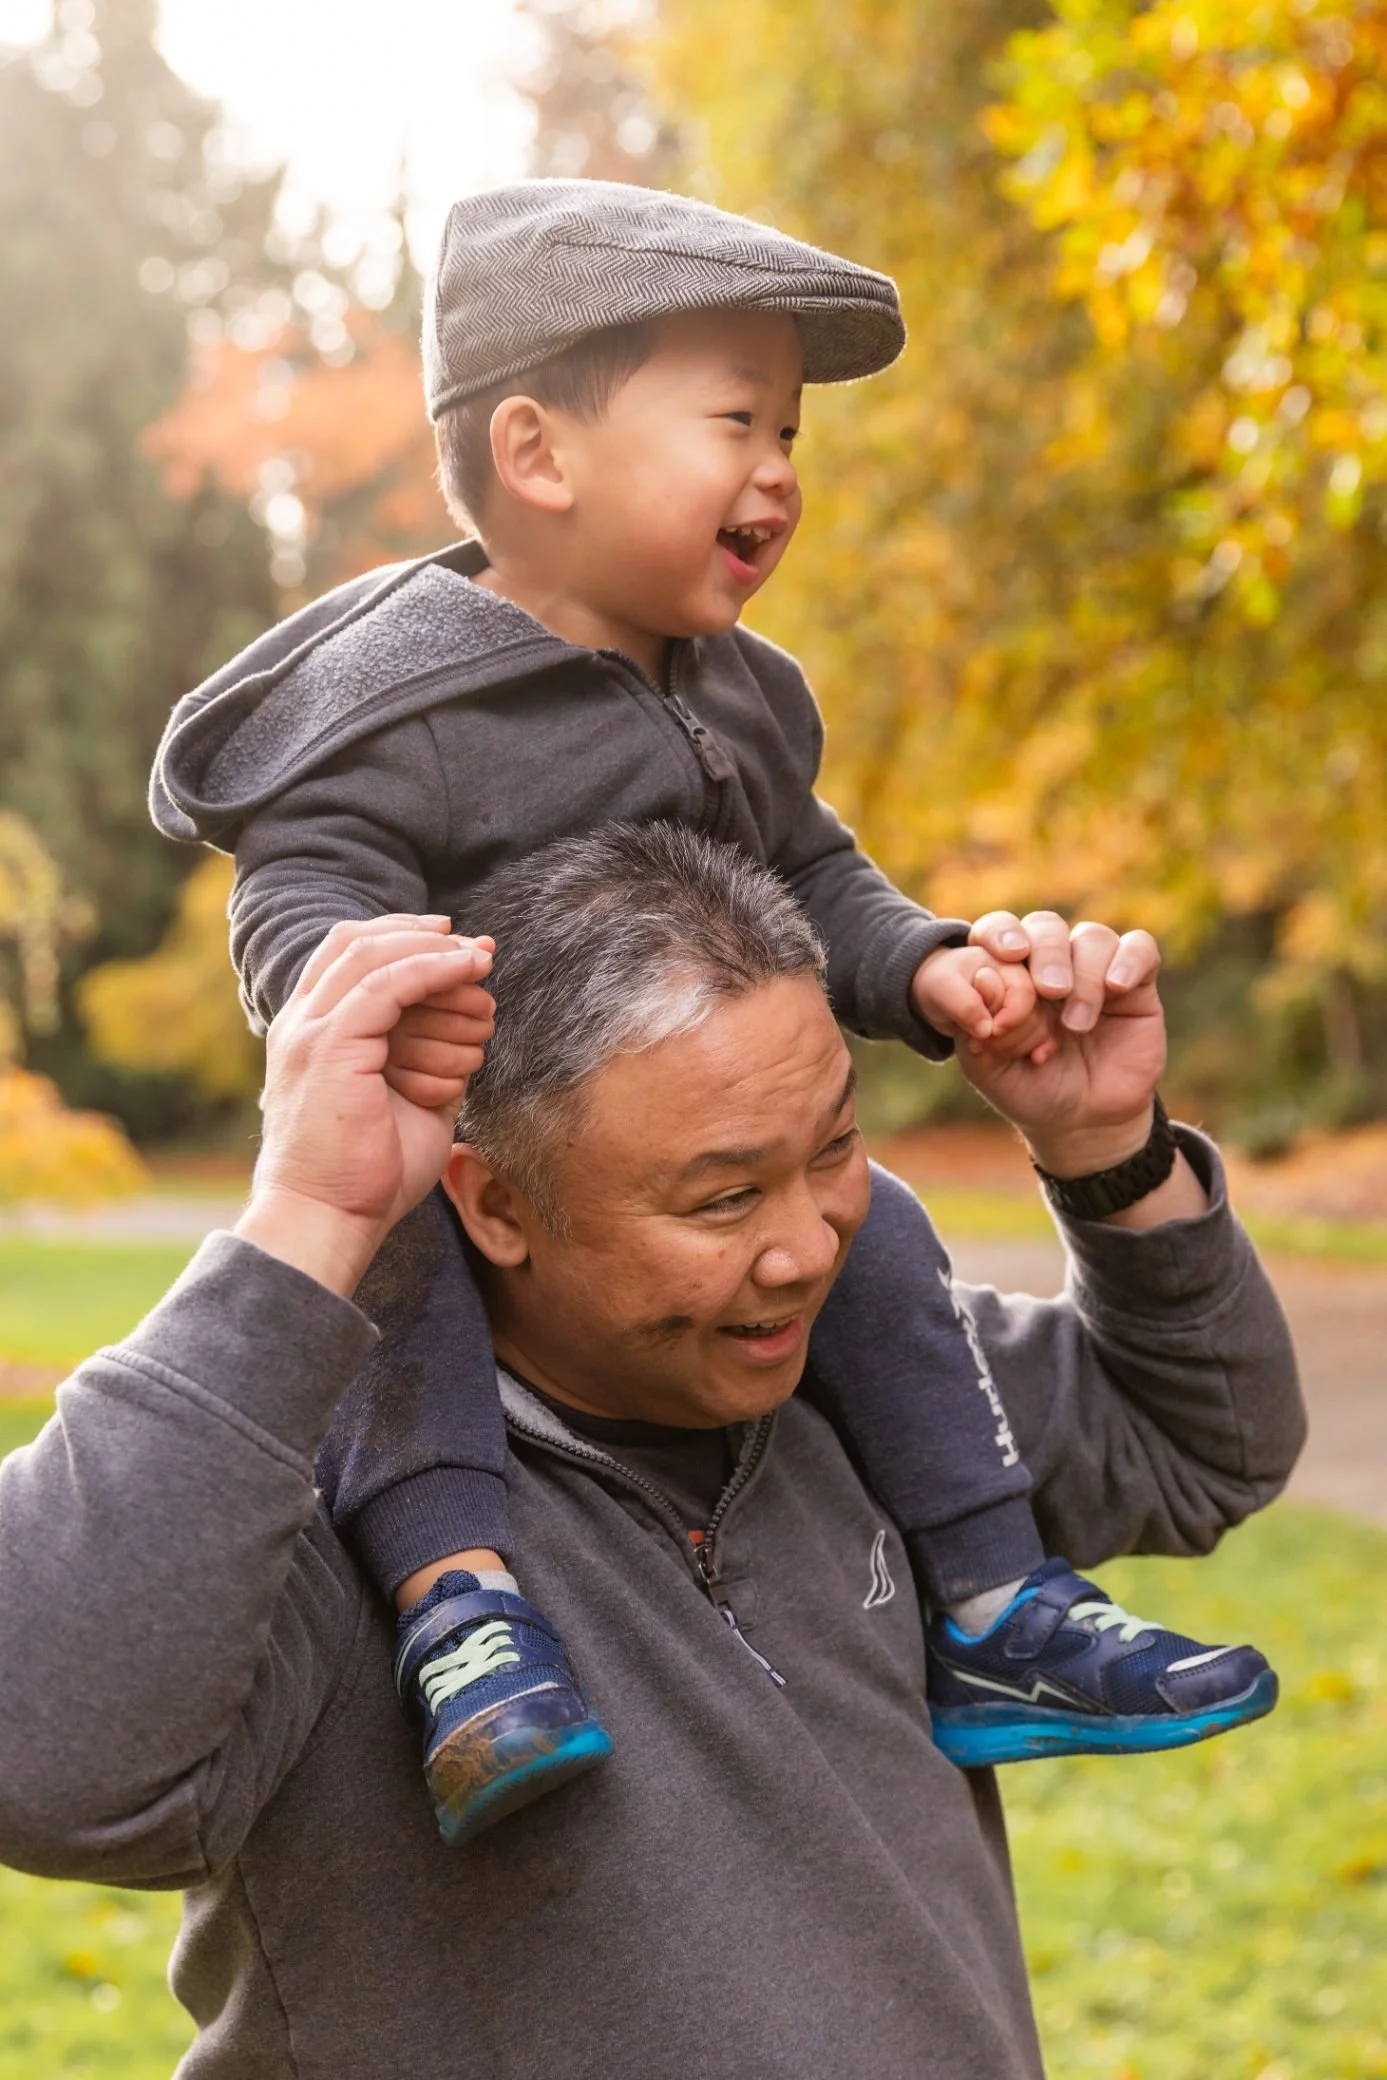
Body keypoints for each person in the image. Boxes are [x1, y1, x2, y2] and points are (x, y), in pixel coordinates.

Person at [150, 180, 1275, 1844]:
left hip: (660, 1162)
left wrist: (920, 964)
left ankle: (987, 1602)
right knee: (408, 1294)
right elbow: (299, 879)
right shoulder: (402, 708)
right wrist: (347, 995)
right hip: (468, 1152)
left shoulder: (744, 695)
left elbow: (817, 877)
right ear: (539, 458)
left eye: (792, 435)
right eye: (737, 423)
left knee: (873, 1227)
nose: (779, 474)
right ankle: (462, 1613)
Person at [0, 828, 1303, 2078]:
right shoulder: (281, 1512)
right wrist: (310, 1219)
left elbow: (1207, 1450)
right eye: (724, 1196)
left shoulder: (883, 1387)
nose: (804, 1248)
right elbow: (47, 1762)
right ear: (494, 1202)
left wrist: (1105, 1152)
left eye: (835, 1149)